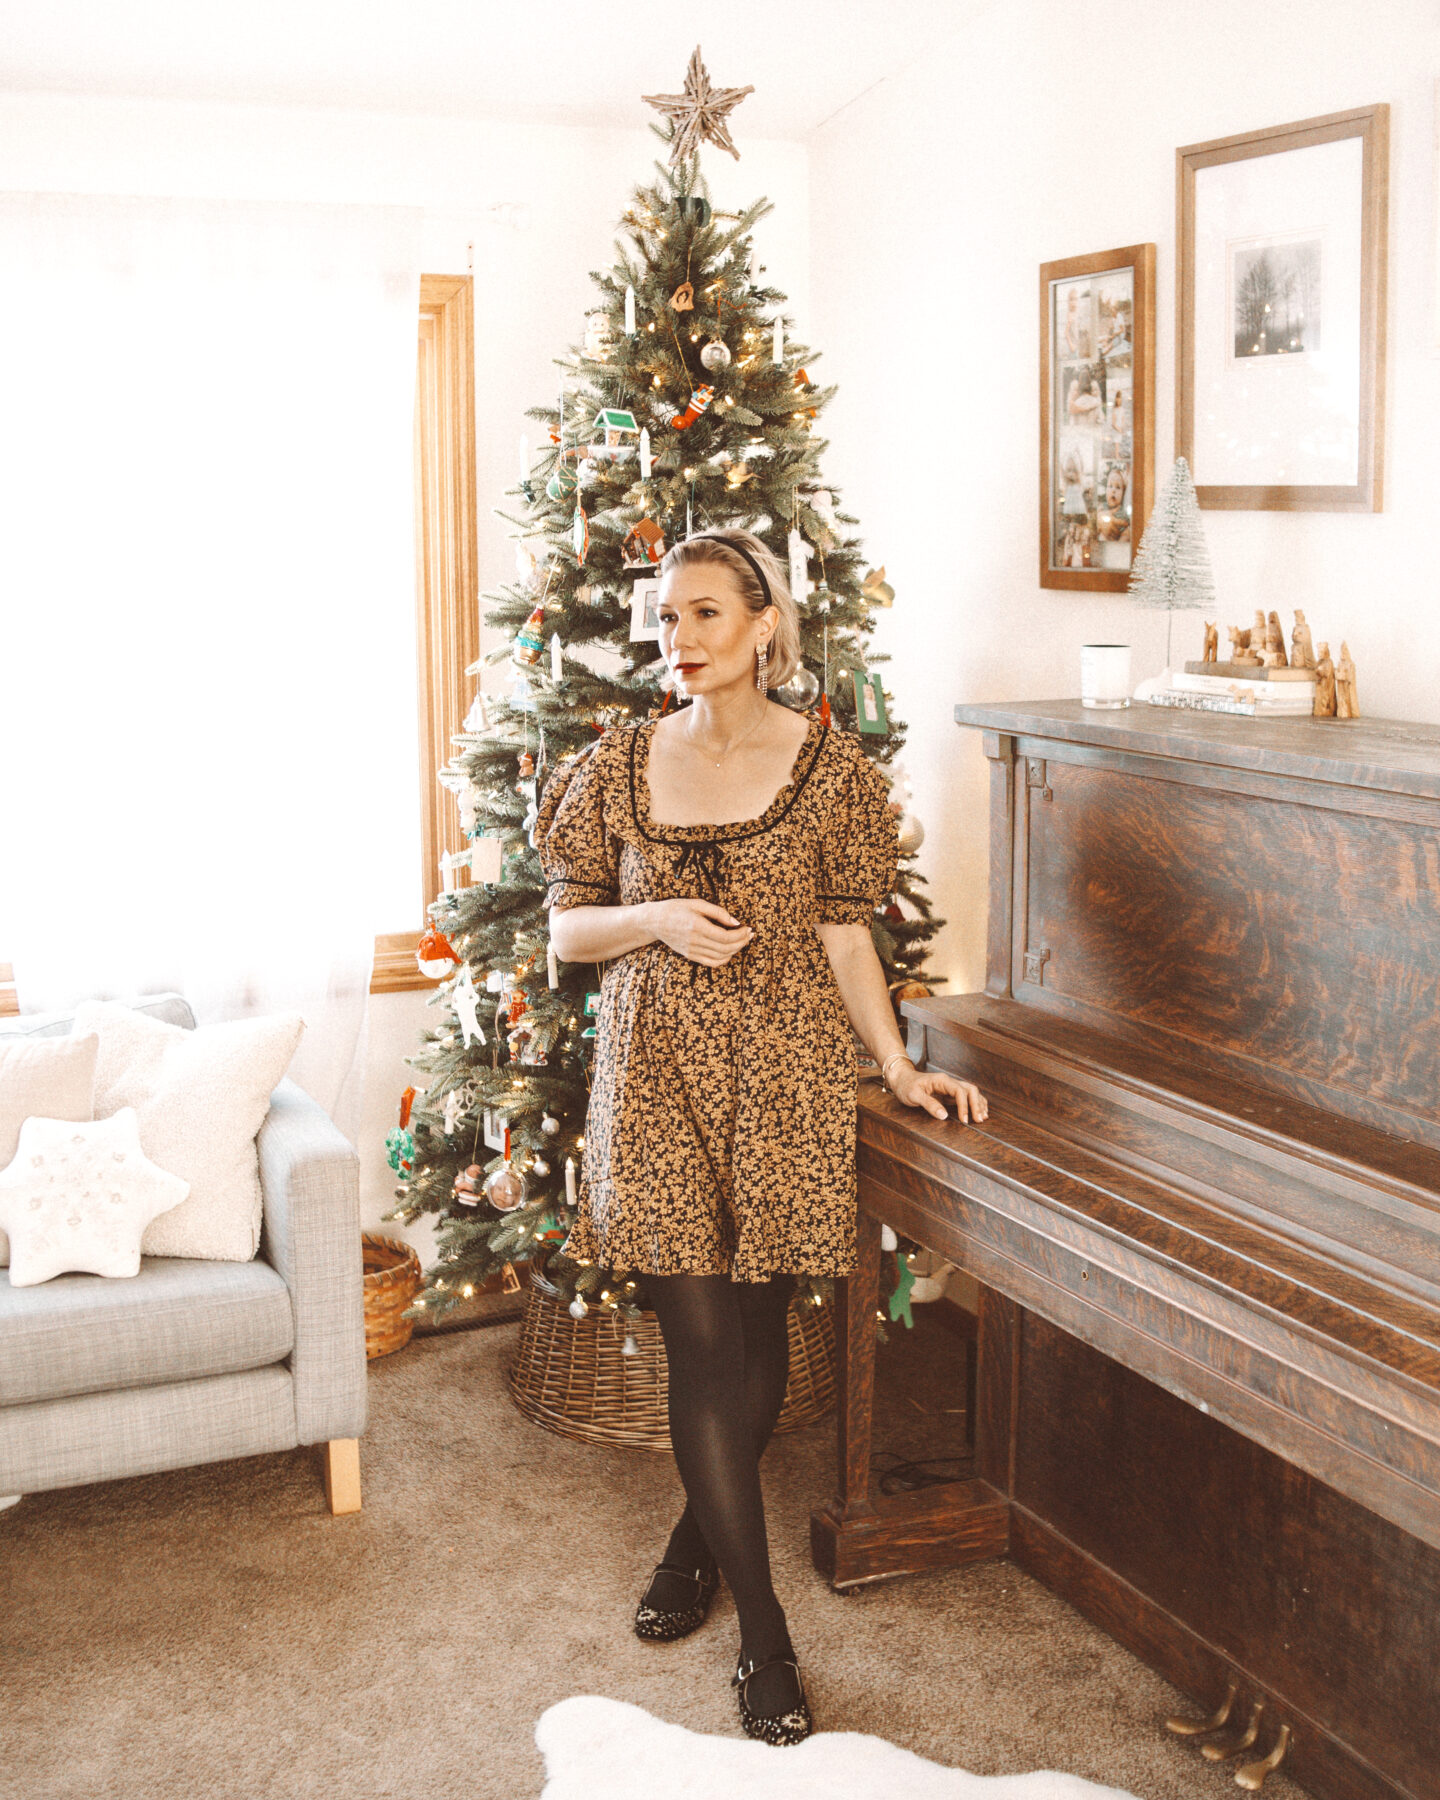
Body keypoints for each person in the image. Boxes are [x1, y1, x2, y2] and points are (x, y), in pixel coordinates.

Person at [535, 528, 987, 1748]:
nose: (676, 640)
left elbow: (850, 939)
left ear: (763, 625)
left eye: (702, 616)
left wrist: (898, 1067)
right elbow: (567, 934)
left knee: (763, 1323)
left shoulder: (831, 772)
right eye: (665, 619)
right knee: (698, 1340)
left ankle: (698, 1530)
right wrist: (655, 918)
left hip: (787, 1074)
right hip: (659, 1074)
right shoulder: (620, 760)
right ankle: (765, 1637)